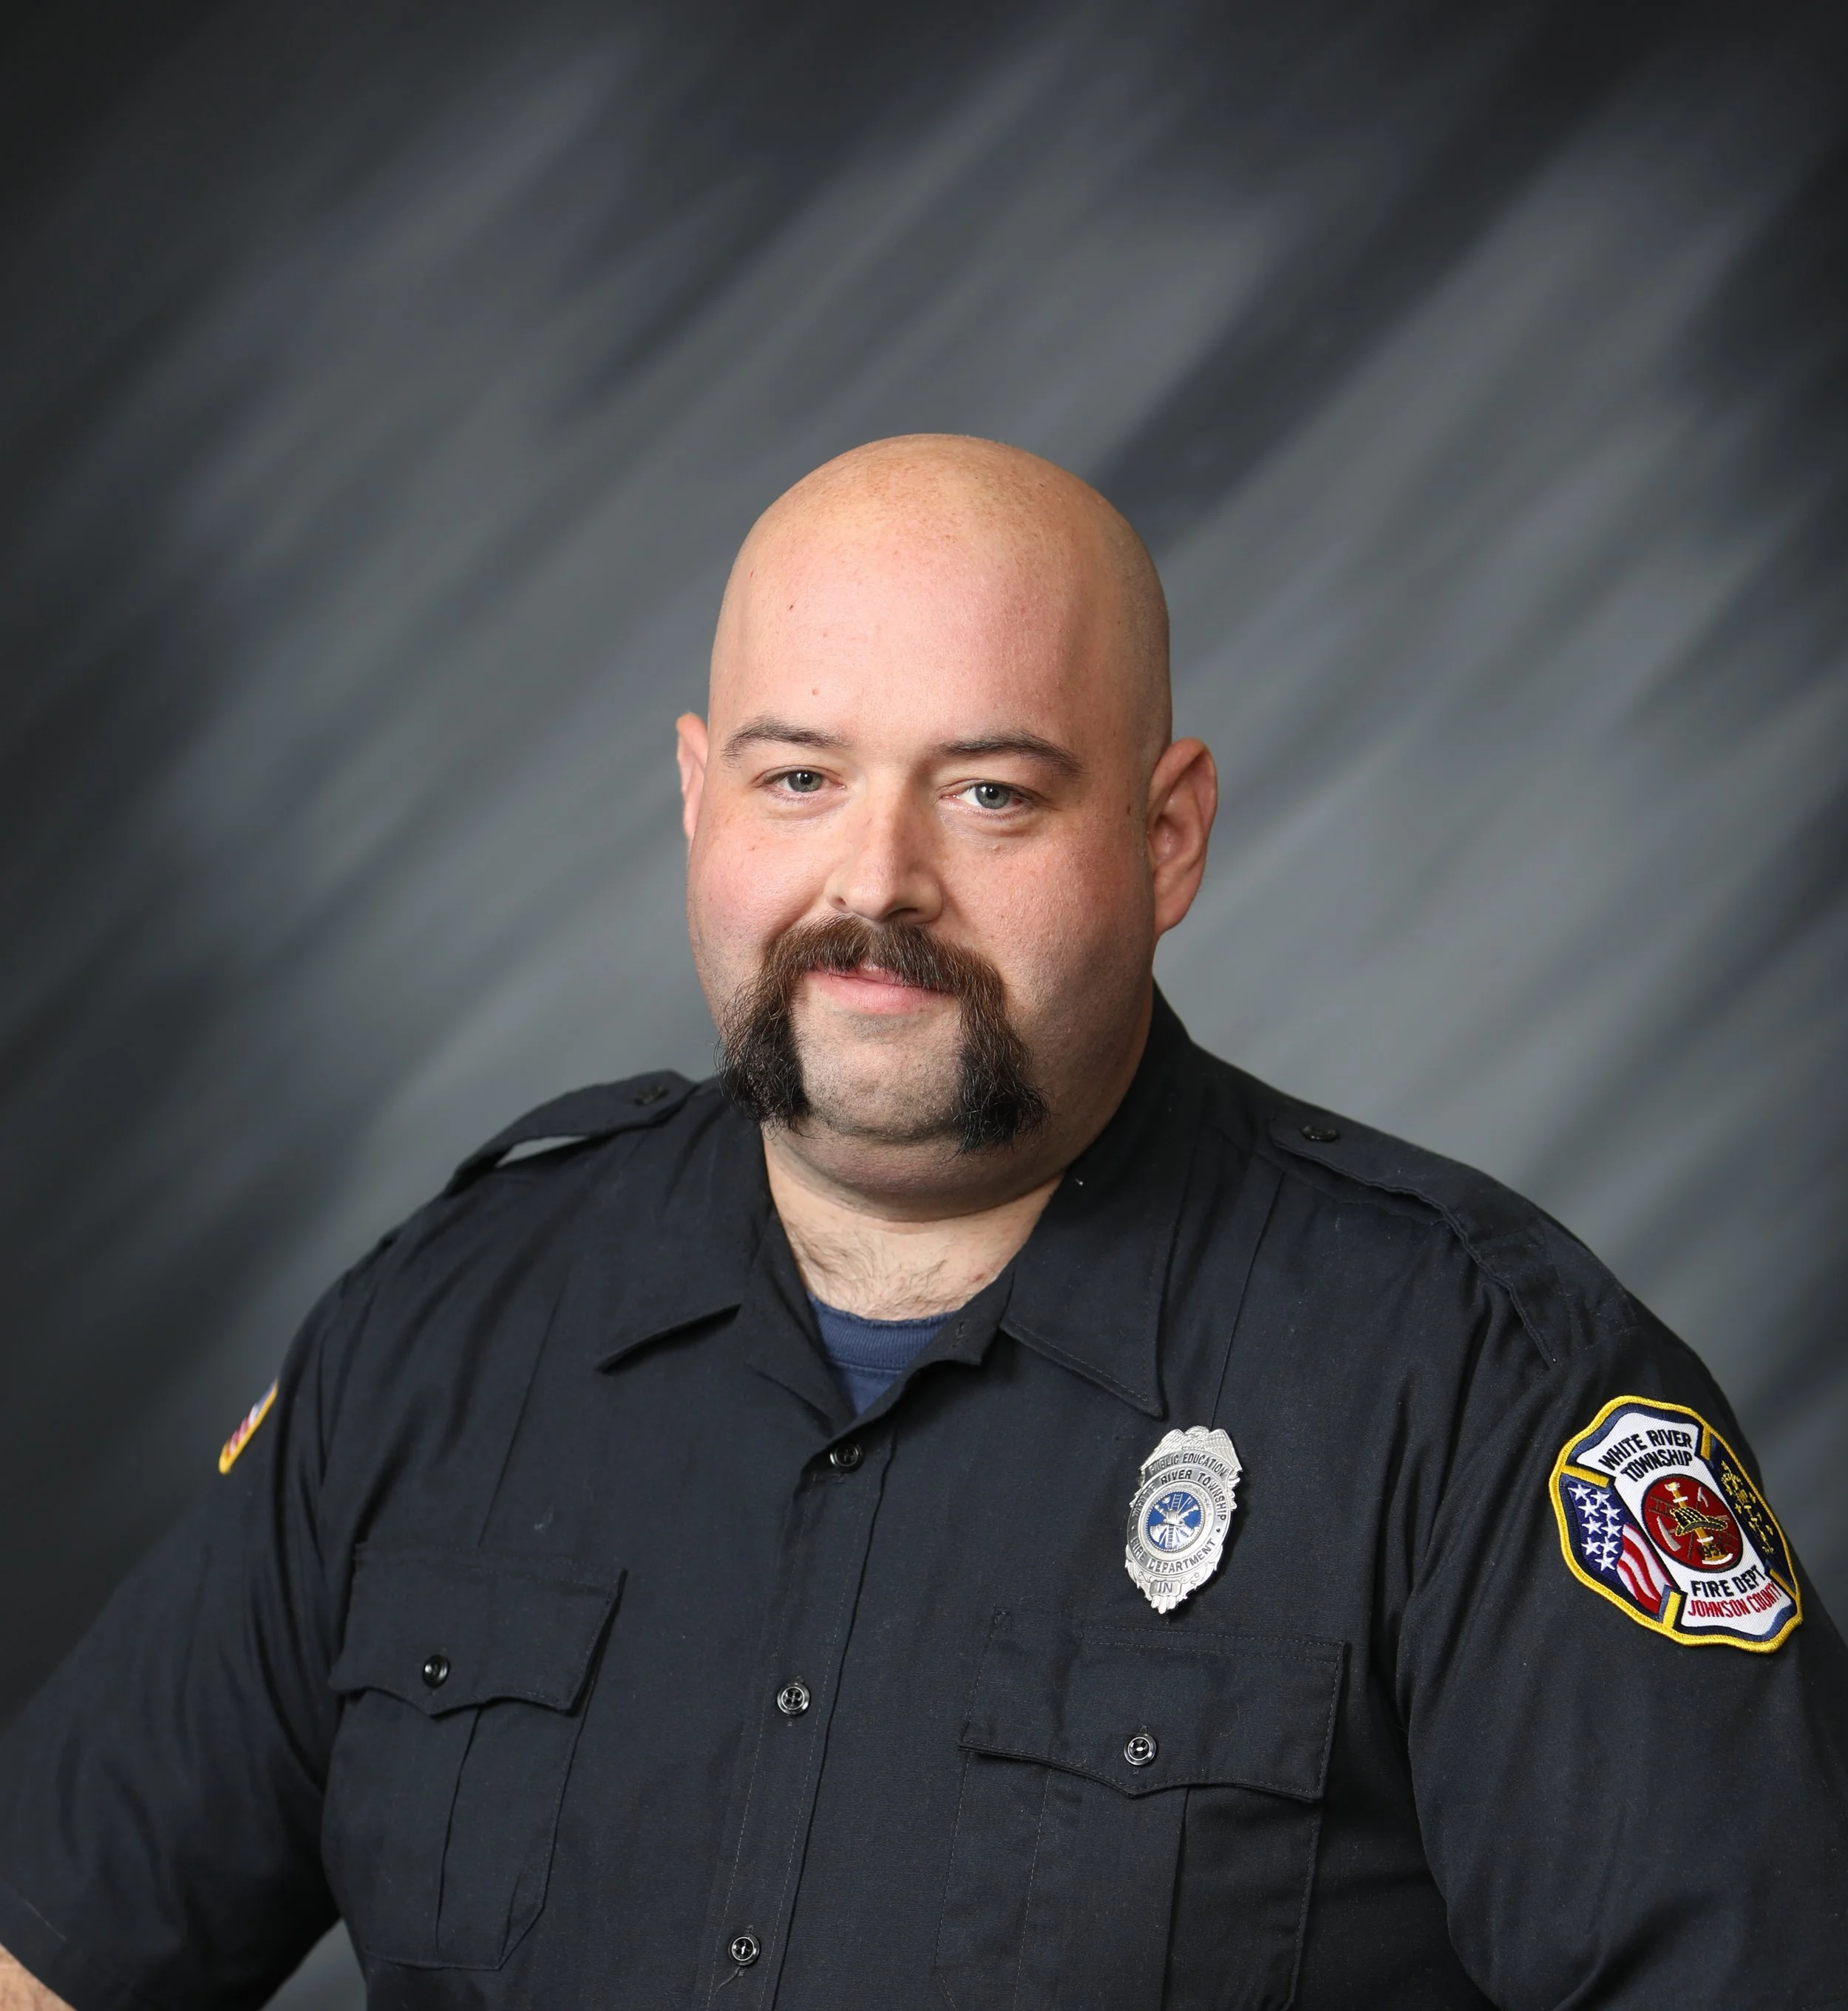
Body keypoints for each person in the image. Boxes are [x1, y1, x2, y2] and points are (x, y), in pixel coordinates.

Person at [1, 435, 1844, 2011]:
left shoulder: (1476, 1388)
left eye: (988, 791)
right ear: (695, 796)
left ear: (1166, 837)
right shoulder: (440, 1333)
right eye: (797, 777)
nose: (874, 879)